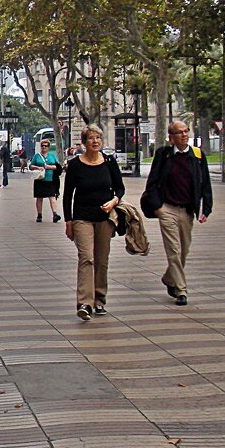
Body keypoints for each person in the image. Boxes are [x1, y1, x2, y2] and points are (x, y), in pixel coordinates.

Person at [141, 120, 213, 306]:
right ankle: (181, 290)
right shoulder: (163, 155)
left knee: (184, 250)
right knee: (173, 250)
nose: (184, 135)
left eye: (186, 131)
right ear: (171, 137)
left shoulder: (197, 155)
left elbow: (205, 184)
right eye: (179, 132)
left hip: (187, 210)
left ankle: (169, 278)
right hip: (168, 209)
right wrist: (158, 207)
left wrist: (206, 208)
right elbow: (153, 182)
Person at [62, 125, 124, 321]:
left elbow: (120, 189)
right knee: (87, 257)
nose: (95, 141)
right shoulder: (75, 165)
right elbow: (67, 196)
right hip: (82, 217)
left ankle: (99, 300)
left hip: (105, 218)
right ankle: (84, 303)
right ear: (84, 142)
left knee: (101, 260)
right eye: (91, 138)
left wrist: (114, 201)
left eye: (98, 138)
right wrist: (68, 221)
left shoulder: (109, 162)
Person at [29, 139, 63, 223]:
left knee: (52, 196)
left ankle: (55, 214)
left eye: (46, 146)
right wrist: (37, 167)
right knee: (39, 198)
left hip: (51, 179)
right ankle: (39, 215)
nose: (44, 147)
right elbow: (30, 166)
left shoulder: (52, 156)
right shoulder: (37, 156)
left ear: (48, 147)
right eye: (42, 146)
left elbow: (58, 167)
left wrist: (48, 167)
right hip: (39, 179)